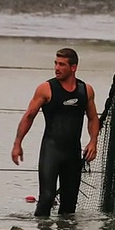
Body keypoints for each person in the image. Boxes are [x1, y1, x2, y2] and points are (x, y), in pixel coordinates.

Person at [11, 48, 99, 217]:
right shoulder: (46, 89)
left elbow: (93, 118)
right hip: (51, 151)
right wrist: (17, 143)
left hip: (73, 153)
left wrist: (93, 141)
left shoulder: (85, 90)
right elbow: (29, 116)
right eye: (56, 63)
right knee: (47, 197)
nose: (57, 68)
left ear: (73, 67)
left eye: (62, 64)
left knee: (69, 202)